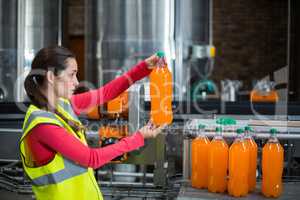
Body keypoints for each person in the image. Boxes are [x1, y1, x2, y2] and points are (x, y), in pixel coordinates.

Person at [19, 46, 165, 200]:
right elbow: (91, 159)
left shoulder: (63, 105)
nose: (76, 82)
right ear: (50, 76)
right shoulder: (43, 125)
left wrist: (144, 68)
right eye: (71, 75)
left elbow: (105, 93)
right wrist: (138, 138)